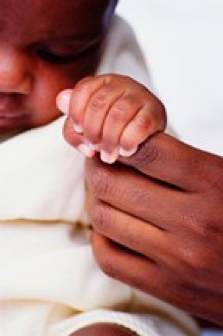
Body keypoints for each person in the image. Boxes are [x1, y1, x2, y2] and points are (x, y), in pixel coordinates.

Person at [0, 0, 200, 335]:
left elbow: (169, 203)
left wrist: (125, 120)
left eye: (58, 53)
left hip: (78, 309)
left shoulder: (103, 85)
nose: (10, 77)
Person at [64, 0, 223, 330]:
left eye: (56, 52)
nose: (10, 76)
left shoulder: (103, 63)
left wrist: (118, 114)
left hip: (86, 305)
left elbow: (134, 111)